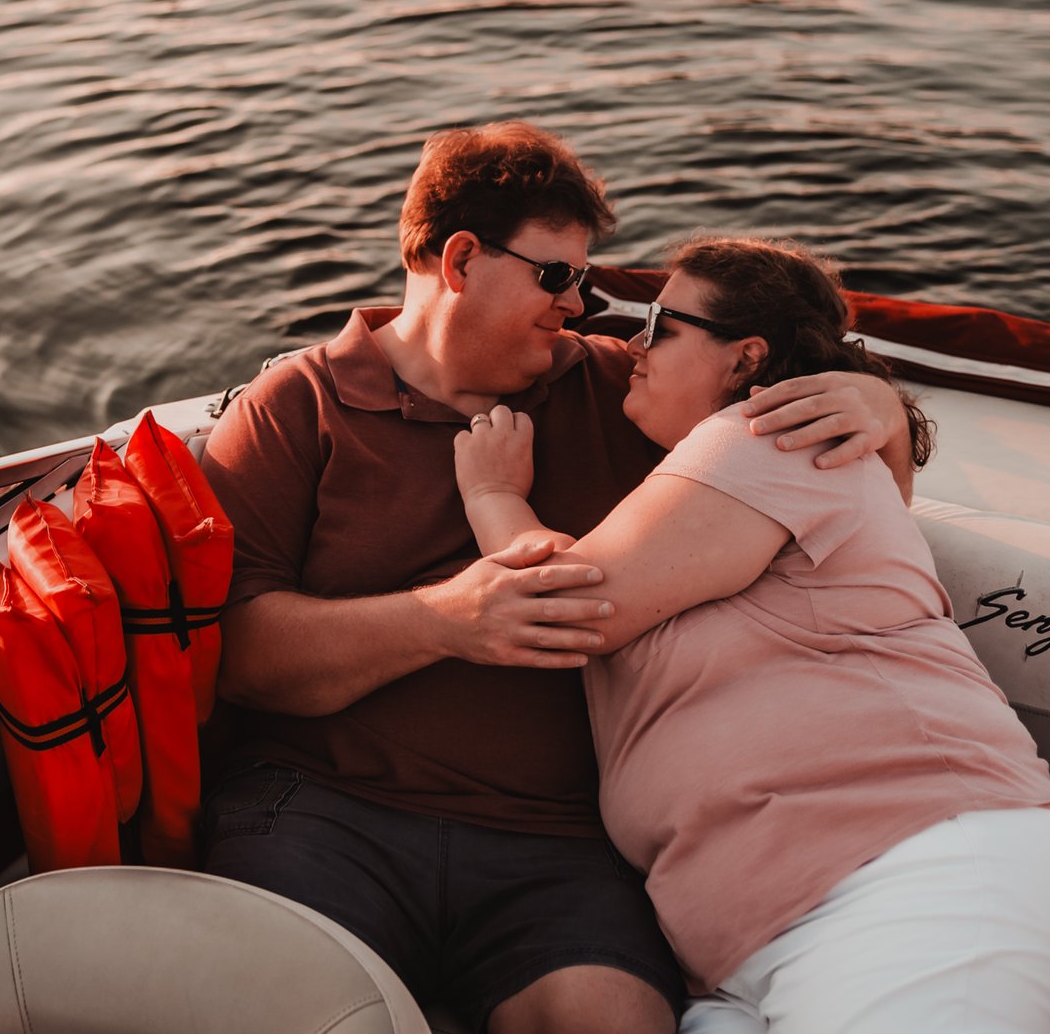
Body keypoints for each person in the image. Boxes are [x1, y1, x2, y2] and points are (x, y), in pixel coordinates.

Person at [200, 125, 918, 1034]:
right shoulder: (296, 407)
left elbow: (835, 493)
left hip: (562, 847)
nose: (579, 305)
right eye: (557, 275)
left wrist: (882, 409)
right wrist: (447, 619)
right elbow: (241, 654)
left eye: (589, 279)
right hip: (326, 816)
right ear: (461, 259)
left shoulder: (629, 392)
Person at [453, 237, 1050, 1034]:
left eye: (661, 322)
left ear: (746, 357)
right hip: (751, 951)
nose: (634, 343)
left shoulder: (765, 435)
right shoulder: (756, 467)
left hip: (916, 885)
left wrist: (492, 494)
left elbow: (571, 606)